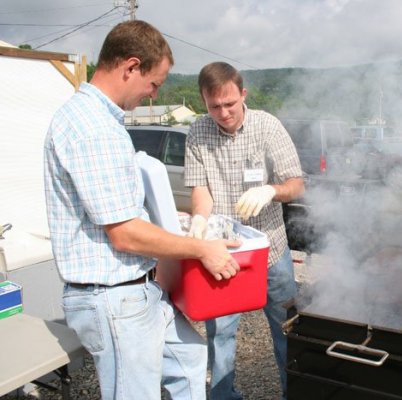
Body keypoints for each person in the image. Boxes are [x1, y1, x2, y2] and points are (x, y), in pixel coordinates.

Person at [44, 21, 242, 400]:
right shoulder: (93, 127)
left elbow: (123, 213)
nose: (153, 95)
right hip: (113, 298)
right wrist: (202, 248)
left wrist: (177, 225)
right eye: (154, 84)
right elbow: (124, 232)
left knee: (189, 358)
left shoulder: (103, 121)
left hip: (138, 290)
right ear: (131, 67)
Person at [184, 61, 305, 399]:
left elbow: (296, 184)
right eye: (214, 106)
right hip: (222, 253)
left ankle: (292, 392)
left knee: (286, 329)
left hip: (271, 250)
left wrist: (271, 190)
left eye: (229, 104)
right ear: (204, 103)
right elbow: (201, 190)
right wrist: (198, 218)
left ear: (243, 95)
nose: (223, 113)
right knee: (220, 334)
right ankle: (223, 395)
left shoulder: (267, 126)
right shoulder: (198, 131)